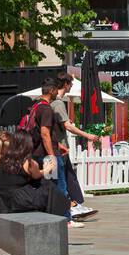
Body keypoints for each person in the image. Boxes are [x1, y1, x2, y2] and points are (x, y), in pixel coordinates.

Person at [0, 130, 70, 217]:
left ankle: (64, 209)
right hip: (17, 201)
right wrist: (47, 169)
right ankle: (64, 215)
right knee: (48, 187)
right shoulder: (28, 162)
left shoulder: (1, 158)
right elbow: (37, 175)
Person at [29, 79, 75, 226]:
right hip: (48, 155)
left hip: (37, 153)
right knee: (59, 186)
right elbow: (44, 133)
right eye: (56, 90)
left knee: (47, 186)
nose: (57, 93)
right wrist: (52, 156)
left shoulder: (35, 106)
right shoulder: (47, 109)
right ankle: (66, 219)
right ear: (51, 91)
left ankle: (50, 216)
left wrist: (57, 145)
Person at [53, 73, 98, 219]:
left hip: (52, 147)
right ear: (65, 84)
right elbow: (67, 126)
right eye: (71, 83)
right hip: (59, 148)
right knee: (64, 179)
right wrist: (87, 135)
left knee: (60, 178)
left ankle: (73, 205)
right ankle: (72, 207)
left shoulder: (50, 103)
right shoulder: (58, 103)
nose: (71, 86)